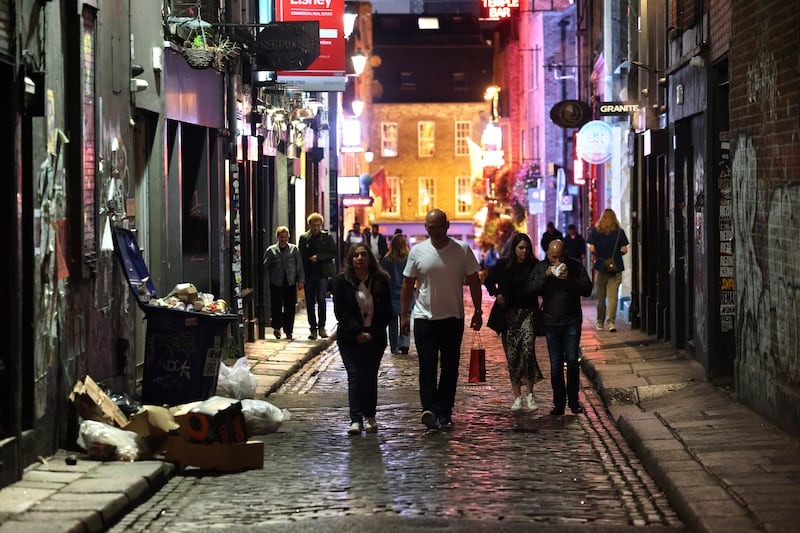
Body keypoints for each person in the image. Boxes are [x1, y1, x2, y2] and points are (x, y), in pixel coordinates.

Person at [400, 208, 483, 430]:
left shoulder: (462, 250)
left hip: (452, 318)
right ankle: (428, 408)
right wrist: (404, 316)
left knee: (449, 367)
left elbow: (474, 280)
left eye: (438, 226)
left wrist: (477, 310)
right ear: (426, 228)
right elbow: (407, 284)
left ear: (447, 226)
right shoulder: (417, 252)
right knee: (427, 365)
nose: (434, 231)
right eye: (430, 227)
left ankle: (444, 411)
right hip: (424, 318)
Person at [525, 239, 593, 416]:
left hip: (571, 320)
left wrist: (570, 279)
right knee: (555, 365)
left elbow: (587, 289)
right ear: (548, 254)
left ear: (566, 254)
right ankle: (559, 403)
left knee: (571, 361)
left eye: (561, 257)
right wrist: (546, 275)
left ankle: (574, 401)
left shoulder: (575, 266)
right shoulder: (542, 267)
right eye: (554, 257)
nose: (558, 261)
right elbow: (530, 288)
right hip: (551, 322)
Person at [332, 243, 392, 435]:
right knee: (355, 375)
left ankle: (370, 416)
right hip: (350, 338)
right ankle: (355, 419)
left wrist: (371, 333)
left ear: (370, 258)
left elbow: (386, 312)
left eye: (363, 255)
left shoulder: (381, 280)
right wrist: (358, 331)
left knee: (369, 377)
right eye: (356, 255)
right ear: (351, 259)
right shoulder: (341, 281)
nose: (359, 258)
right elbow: (340, 311)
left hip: (375, 338)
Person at [484, 233, 544, 412]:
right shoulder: (503, 265)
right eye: (521, 248)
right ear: (514, 249)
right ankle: (517, 396)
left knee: (527, 349)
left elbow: (544, 285)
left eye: (526, 248)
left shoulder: (534, 265)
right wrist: (497, 294)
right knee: (513, 355)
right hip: (508, 315)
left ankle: (530, 394)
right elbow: (488, 281)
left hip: (528, 313)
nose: (524, 251)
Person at [587, 208, 630, 332]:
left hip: (601, 266)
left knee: (601, 297)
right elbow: (625, 250)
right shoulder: (619, 232)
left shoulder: (596, 231)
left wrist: (600, 256)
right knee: (613, 297)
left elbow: (591, 249)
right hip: (616, 267)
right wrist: (616, 255)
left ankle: (600, 322)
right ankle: (611, 322)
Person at [298, 212, 338, 340]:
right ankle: (313, 329)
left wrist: (319, 257)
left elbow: (333, 253)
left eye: (318, 225)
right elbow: (301, 258)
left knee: (321, 299)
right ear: (309, 225)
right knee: (309, 302)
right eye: (313, 225)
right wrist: (300, 276)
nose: (316, 227)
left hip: (322, 274)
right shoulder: (304, 238)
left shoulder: (326, 237)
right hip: (309, 274)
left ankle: (322, 326)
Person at [263, 226, 304, 341]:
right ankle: (276, 327)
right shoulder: (271, 250)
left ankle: (288, 330)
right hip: (276, 282)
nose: (283, 239)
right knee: (276, 306)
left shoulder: (294, 249)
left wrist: (301, 280)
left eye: (286, 237)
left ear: (288, 237)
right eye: (281, 237)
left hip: (290, 282)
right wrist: (263, 282)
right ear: (277, 237)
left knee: (290, 307)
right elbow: (265, 267)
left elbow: (299, 265)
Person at [380, 233, 412, 355]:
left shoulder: (386, 260)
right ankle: (404, 343)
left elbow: (383, 278)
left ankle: (394, 346)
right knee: (406, 318)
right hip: (406, 293)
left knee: (392, 322)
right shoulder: (408, 258)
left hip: (391, 293)